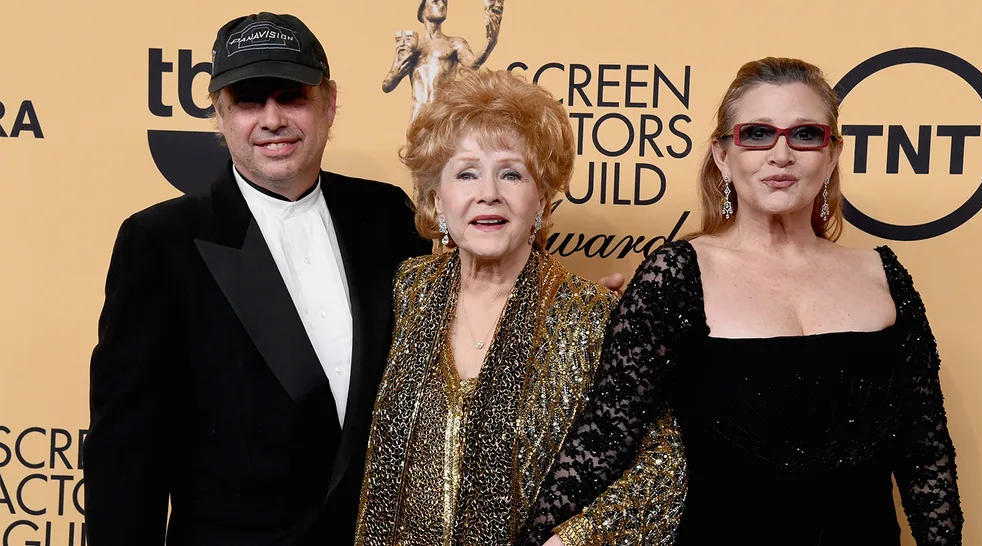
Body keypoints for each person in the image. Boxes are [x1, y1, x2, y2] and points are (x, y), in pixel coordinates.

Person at [516, 57, 964, 546]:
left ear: (832, 154)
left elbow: (926, 456)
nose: (781, 154)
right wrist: (535, 538)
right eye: (757, 134)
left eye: (805, 134)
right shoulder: (674, 276)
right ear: (723, 155)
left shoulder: (884, 275)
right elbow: (604, 440)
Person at [83, 12, 432, 546]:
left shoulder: (388, 216)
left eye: (292, 97)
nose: (272, 119)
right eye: (248, 101)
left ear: (329, 104)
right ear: (220, 115)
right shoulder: (160, 243)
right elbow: (124, 456)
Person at [354, 69, 687, 546]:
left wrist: (571, 541)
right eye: (467, 173)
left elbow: (661, 469)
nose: (488, 192)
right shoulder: (406, 290)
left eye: (511, 173)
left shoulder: (593, 316)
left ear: (542, 200)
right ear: (437, 200)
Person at [383, 0, 504, 120]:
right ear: (422, 9)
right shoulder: (414, 46)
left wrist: (490, 43)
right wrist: (395, 73)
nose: (441, 5)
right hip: (418, 113)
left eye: (444, 3)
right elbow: (387, 86)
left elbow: (472, 65)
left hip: (442, 113)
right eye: (435, 1)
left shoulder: (454, 44)